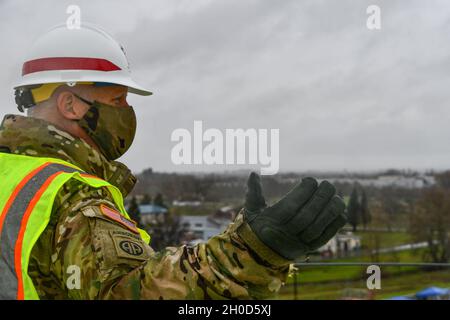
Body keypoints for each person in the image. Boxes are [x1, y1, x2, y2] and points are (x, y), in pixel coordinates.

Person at [0, 23, 347, 300]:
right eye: (117, 99)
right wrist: (251, 252)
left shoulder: (11, 171)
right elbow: (130, 292)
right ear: (71, 105)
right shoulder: (71, 195)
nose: (126, 112)